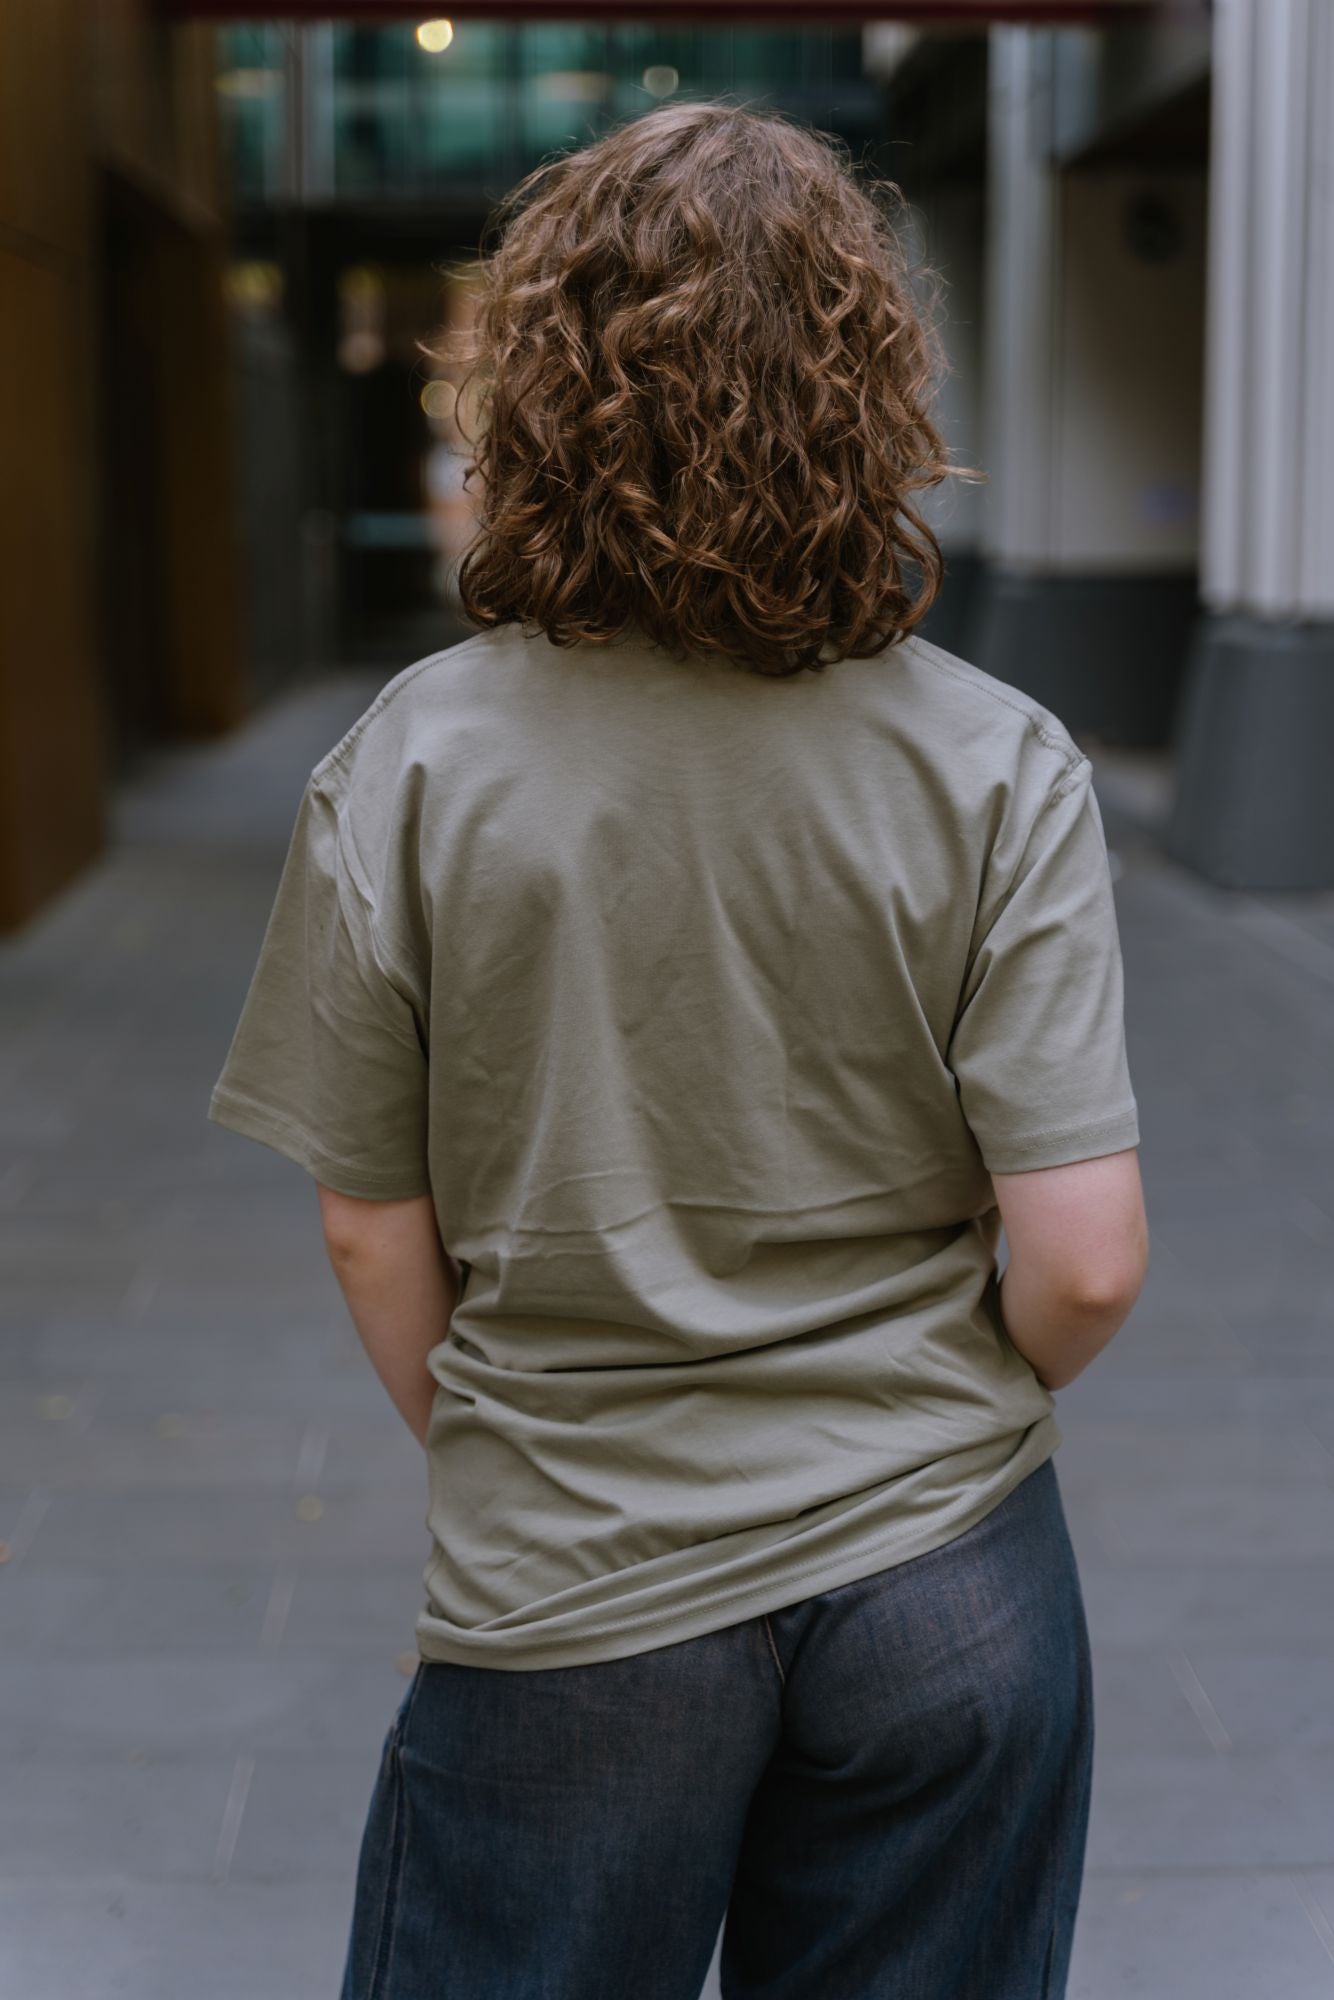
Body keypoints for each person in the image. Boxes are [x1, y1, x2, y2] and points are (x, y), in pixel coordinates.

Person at [208, 100, 1149, 2000]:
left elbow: (370, 1229)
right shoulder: (998, 762)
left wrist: (515, 1450)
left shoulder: (411, 762)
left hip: (572, 1582)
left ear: (538, 393)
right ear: (870, 393)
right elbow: (1084, 1262)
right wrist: (907, 1419)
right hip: (946, 1584)